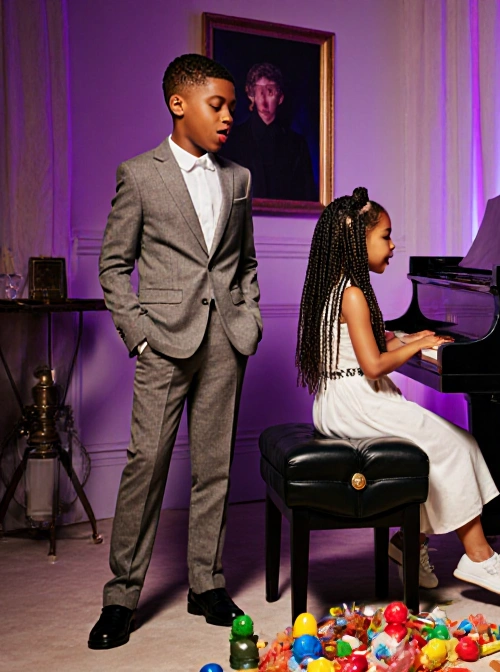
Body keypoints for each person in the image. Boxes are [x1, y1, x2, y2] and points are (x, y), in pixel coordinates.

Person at [91, 54, 261, 649]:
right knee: (147, 464)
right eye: (218, 105)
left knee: (214, 467)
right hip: (163, 340)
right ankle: (121, 597)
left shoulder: (238, 179)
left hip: (225, 341)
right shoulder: (139, 174)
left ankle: (206, 584)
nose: (228, 117)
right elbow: (113, 266)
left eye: (233, 107)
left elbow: (246, 262)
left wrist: (250, 319)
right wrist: (138, 333)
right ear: (179, 103)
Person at [294, 187, 500, 597]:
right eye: (385, 235)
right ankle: (479, 558)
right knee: (457, 446)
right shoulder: (353, 294)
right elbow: (372, 365)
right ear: (357, 240)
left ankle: (409, 543)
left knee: (427, 451)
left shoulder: (337, 286)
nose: (393, 244)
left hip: (340, 400)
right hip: (357, 402)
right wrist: (416, 345)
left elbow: (359, 344)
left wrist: (399, 336)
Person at [220, 62, 317, 201]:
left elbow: (307, 198)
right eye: (259, 92)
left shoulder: (297, 145)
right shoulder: (233, 139)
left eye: (270, 92)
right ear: (251, 95)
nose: (264, 100)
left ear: (280, 98)